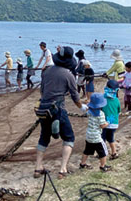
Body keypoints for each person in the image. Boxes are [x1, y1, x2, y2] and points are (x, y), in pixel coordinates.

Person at [34, 46, 87, 179]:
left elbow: (42, 91)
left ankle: (38, 168)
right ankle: (62, 169)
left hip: (43, 109)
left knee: (44, 137)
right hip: (58, 110)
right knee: (69, 137)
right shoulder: (68, 75)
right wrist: (82, 107)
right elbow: (75, 96)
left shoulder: (46, 71)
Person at [78, 93, 111, 172]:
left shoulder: (89, 111)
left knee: (87, 151)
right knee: (103, 152)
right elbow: (102, 125)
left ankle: (82, 164)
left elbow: (87, 110)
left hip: (89, 135)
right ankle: (103, 166)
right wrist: (109, 122)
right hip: (97, 138)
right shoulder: (101, 114)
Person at [102, 80, 121, 160]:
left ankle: (102, 153)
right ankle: (114, 152)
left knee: (102, 139)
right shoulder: (116, 100)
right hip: (114, 123)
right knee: (111, 139)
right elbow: (118, 111)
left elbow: (100, 109)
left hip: (104, 123)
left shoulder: (103, 98)